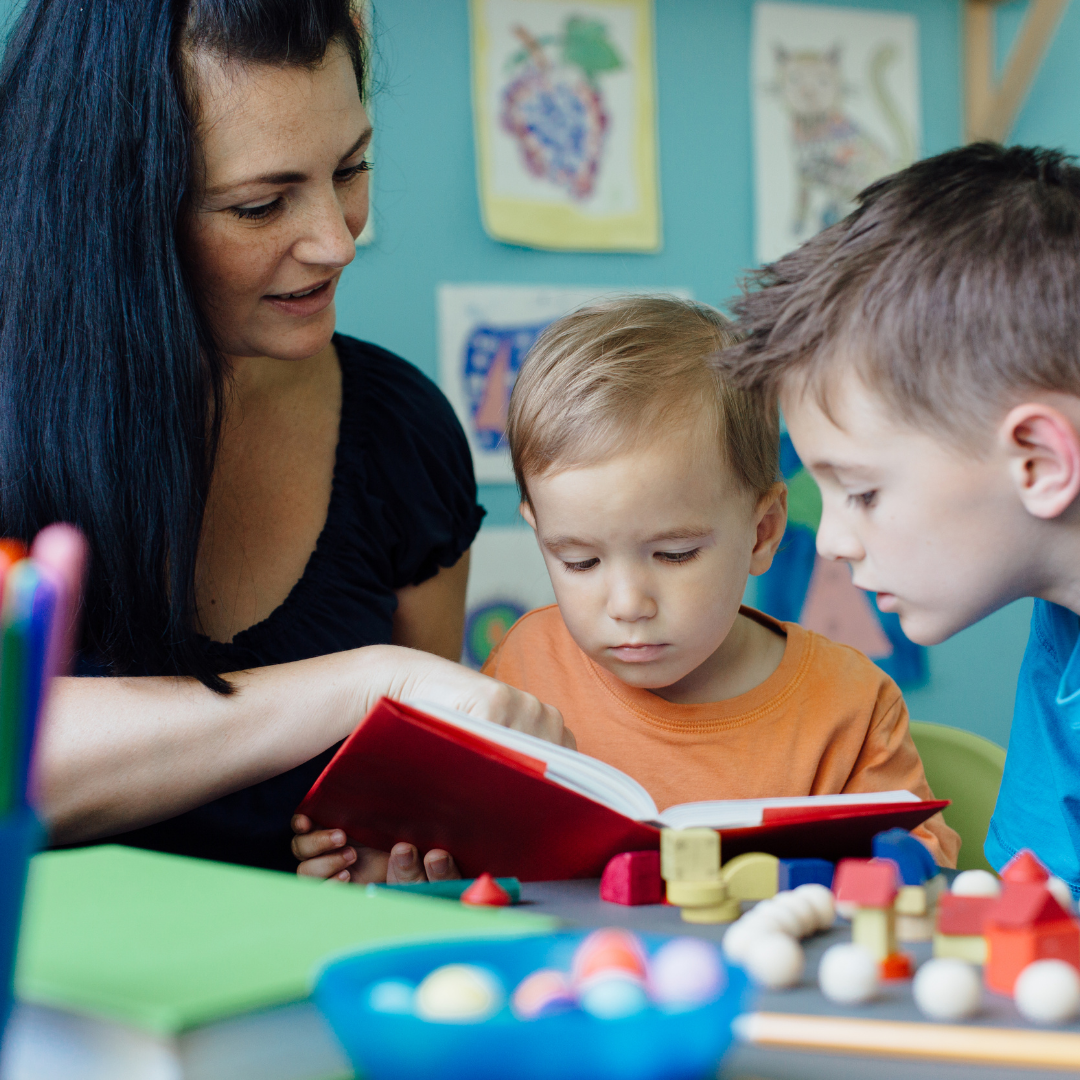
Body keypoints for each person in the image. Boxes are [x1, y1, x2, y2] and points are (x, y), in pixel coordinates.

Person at [0, 0, 568, 881]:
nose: (338, 241)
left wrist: (400, 850)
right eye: (261, 205)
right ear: (113, 213)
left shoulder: (401, 436)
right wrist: (358, 682)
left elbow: (402, 805)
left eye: (351, 169)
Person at [299, 295, 958, 877]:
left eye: (673, 555)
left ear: (762, 533)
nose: (627, 605)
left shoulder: (851, 701)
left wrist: (891, 873)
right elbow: (468, 856)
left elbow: (920, 866)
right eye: (579, 562)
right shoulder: (524, 666)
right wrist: (392, 863)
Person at [714, 143, 1080, 893]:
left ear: (1040, 463)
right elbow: (1044, 906)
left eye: (864, 493)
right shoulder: (1062, 634)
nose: (838, 542)